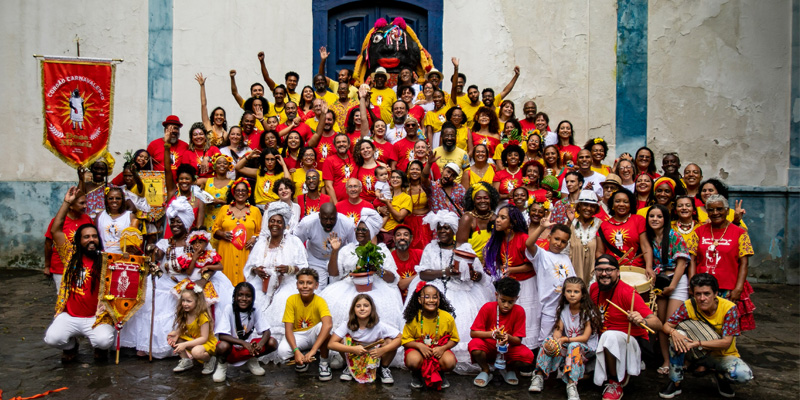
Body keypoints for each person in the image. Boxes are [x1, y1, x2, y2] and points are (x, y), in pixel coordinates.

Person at [132, 197, 233, 359]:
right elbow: (156, 257)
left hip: (194, 281)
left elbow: (212, 262)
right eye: (172, 222)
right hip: (168, 282)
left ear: (186, 222)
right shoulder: (165, 243)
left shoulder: (198, 241)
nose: (175, 225)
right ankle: (153, 345)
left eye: (179, 221)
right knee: (149, 296)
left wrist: (202, 281)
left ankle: (199, 346)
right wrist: (152, 250)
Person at [405, 210, 494, 374]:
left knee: (463, 313)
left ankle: (448, 357)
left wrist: (474, 275)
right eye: (439, 228)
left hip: (461, 290)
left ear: (453, 230)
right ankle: (426, 353)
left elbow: (479, 274)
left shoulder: (465, 248)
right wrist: (445, 272)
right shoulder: (430, 248)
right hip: (434, 289)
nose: (442, 231)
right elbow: (423, 274)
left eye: (446, 228)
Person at [44, 187, 114, 362]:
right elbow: (55, 231)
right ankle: (70, 346)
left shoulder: (106, 261)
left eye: (94, 236)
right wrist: (66, 203)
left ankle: (99, 348)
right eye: (86, 237)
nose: (91, 240)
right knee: (52, 338)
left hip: (95, 317)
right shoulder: (70, 256)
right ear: (79, 240)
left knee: (104, 341)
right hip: (70, 316)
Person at [659, 273, 754, 398]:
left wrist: (697, 343)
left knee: (743, 374)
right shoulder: (689, 305)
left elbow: (726, 342)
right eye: (698, 294)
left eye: (707, 294)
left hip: (721, 355)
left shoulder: (729, 308)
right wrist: (673, 333)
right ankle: (675, 381)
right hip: (695, 353)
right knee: (678, 335)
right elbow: (666, 325)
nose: (702, 298)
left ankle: (721, 377)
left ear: (715, 294)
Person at [321, 209, 403, 352]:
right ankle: (344, 351)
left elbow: (392, 278)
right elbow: (333, 273)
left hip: (376, 287)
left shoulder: (380, 250)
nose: (359, 232)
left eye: (364, 229)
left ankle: (377, 350)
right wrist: (335, 251)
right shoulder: (347, 249)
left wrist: (377, 269)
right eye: (358, 229)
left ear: (372, 232)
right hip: (348, 286)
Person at [590, 255, 663, 400]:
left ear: (618, 272)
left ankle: (615, 382)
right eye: (600, 270)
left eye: (609, 270)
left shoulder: (627, 293)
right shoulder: (594, 288)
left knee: (609, 336)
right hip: (600, 339)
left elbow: (657, 323)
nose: (604, 274)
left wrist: (642, 320)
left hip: (628, 341)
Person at [244, 202, 309, 339]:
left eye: (279, 222)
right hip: (262, 283)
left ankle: (277, 337)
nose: (275, 224)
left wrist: (289, 269)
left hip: (287, 283)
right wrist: (256, 270)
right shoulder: (261, 243)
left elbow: (304, 267)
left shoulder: (294, 242)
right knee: (253, 298)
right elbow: (249, 267)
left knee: (282, 300)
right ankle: (252, 334)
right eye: (272, 221)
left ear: (285, 225)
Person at [529, 277, 601, 400]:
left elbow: (585, 338)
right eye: (569, 291)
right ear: (563, 293)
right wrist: (556, 340)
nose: (572, 294)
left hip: (586, 348)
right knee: (548, 341)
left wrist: (565, 340)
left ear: (583, 294)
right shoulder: (563, 310)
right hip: (568, 343)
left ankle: (572, 384)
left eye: (576, 292)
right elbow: (558, 330)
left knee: (574, 347)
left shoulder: (588, 312)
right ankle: (539, 376)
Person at [692, 194, 755, 331]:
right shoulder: (699, 231)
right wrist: (692, 283)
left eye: (719, 209)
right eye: (711, 210)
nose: (715, 213)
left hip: (728, 288)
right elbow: (692, 259)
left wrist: (738, 288)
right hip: (702, 288)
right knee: (702, 326)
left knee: (726, 326)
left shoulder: (740, 233)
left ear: (727, 211)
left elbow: (744, 263)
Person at [485, 205, 541, 349]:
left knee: (527, 316)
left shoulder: (523, 238)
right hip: (509, 284)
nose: (497, 220)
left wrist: (511, 269)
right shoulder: (499, 238)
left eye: (503, 218)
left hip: (526, 284)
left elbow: (532, 265)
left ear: (512, 222)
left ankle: (528, 350)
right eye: (498, 216)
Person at [644, 204, 691, 375]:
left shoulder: (674, 236)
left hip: (676, 280)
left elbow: (682, 264)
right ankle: (666, 360)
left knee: (673, 322)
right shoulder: (648, 237)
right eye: (652, 216)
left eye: (659, 216)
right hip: (659, 282)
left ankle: (679, 359)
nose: (655, 219)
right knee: (661, 323)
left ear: (666, 219)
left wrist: (672, 286)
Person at [469, 277, 534, 387]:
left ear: (516, 298)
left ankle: (509, 369)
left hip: (508, 348)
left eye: (510, 302)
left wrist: (508, 337)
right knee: (474, 345)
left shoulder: (519, 311)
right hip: (489, 346)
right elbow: (473, 333)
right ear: (496, 295)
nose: (506, 305)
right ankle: (485, 370)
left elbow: (518, 340)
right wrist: (492, 334)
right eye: (503, 301)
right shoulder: (488, 307)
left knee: (528, 356)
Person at [524, 213, 577, 346]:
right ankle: (542, 359)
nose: (559, 243)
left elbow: (573, 280)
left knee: (562, 339)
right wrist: (541, 227)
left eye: (563, 241)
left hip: (566, 306)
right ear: (549, 237)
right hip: (548, 307)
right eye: (556, 239)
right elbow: (529, 244)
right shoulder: (542, 255)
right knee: (545, 339)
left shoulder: (565, 258)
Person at [328, 294, 403, 383]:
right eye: (358, 306)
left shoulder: (379, 325)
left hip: (373, 354)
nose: (362, 309)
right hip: (354, 354)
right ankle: (350, 366)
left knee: (389, 341)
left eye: (366, 306)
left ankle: (383, 368)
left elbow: (400, 338)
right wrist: (353, 349)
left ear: (372, 308)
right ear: (353, 309)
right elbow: (331, 344)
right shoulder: (347, 324)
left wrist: (382, 350)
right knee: (341, 341)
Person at [274, 268, 334, 380]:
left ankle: (324, 363)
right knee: (282, 352)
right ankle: (301, 358)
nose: (305, 286)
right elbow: (288, 330)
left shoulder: (320, 301)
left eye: (309, 283)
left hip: (314, 334)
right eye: (301, 283)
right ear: (297, 285)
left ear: (316, 285)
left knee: (323, 327)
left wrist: (313, 350)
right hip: (298, 335)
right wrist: (296, 351)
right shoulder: (291, 300)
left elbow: (328, 324)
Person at [212, 282, 278, 382]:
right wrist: (243, 343)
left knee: (272, 342)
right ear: (235, 297)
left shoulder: (255, 308)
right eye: (240, 295)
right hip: (232, 349)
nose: (244, 299)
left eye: (248, 296)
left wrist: (259, 345)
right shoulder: (229, 308)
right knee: (222, 346)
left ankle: (251, 359)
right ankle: (222, 365)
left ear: (253, 298)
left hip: (249, 348)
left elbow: (266, 331)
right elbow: (222, 335)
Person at [402, 283, 459, 390]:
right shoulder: (414, 318)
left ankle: (440, 373)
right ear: (420, 300)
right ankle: (416, 373)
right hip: (419, 350)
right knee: (413, 360)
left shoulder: (447, 317)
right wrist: (419, 346)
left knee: (449, 362)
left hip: (438, 350)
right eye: (427, 297)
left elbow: (454, 339)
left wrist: (443, 348)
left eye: (435, 297)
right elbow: (405, 340)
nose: (431, 300)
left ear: (439, 300)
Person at [293, 203, 356, 290]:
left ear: (337, 216)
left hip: (338, 259)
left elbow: (354, 245)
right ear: (319, 216)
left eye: (332, 219)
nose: (328, 222)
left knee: (337, 289)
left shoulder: (347, 224)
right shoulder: (307, 223)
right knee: (316, 289)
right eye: (325, 219)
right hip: (315, 259)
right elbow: (295, 241)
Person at [212, 178, 262, 285]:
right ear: (233, 193)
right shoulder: (224, 209)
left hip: (246, 252)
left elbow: (261, 232)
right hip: (226, 252)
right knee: (226, 283)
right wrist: (222, 234)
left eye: (243, 190)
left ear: (248, 193)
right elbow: (215, 229)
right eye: (238, 190)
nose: (240, 193)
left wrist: (254, 238)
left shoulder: (255, 211)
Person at [596, 188, 654, 277]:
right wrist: (605, 268)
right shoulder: (603, 225)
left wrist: (649, 267)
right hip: (612, 273)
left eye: (626, 202)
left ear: (631, 204)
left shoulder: (639, 220)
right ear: (612, 204)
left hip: (637, 270)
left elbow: (646, 246)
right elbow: (599, 252)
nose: (621, 204)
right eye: (617, 201)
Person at [44, 188, 92, 293]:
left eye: (85, 203)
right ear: (71, 205)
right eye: (81, 203)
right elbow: (48, 245)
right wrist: (47, 266)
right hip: (61, 267)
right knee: (63, 296)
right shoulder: (58, 222)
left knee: (80, 295)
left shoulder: (87, 219)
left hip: (82, 266)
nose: (85, 206)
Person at [167, 287, 218, 373]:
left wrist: (185, 344)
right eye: (183, 300)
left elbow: (204, 338)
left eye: (188, 301)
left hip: (206, 343)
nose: (185, 304)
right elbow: (182, 328)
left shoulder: (202, 316)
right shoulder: (185, 313)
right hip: (194, 339)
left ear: (197, 302)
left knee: (196, 352)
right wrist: (176, 334)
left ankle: (209, 359)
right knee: (171, 336)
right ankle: (186, 360)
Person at [163, 139, 205, 236]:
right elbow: (167, 170)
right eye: (181, 179)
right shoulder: (172, 193)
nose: (184, 181)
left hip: (188, 242)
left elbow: (198, 228)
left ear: (193, 181)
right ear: (177, 180)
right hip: (170, 241)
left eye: (187, 179)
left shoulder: (199, 201)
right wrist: (167, 146)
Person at [456, 182, 500, 263]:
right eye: (478, 198)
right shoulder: (467, 218)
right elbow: (460, 246)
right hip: (470, 262)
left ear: (490, 200)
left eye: (486, 198)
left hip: (490, 263)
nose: (482, 201)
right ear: (473, 201)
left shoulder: (494, 218)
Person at [568, 190, 603, 284]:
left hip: (593, 272)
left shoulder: (600, 225)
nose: (588, 208)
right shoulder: (571, 223)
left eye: (592, 206)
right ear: (579, 207)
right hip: (573, 270)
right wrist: (569, 222)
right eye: (585, 205)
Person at [96, 187, 139, 254]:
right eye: (111, 198)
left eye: (118, 198)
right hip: (104, 256)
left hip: (124, 256)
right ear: (106, 200)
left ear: (123, 200)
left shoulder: (130, 216)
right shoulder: (100, 216)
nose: (114, 200)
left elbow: (134, 239)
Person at [377, 170, 412, 245]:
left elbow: (399, 217)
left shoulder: (406, 197)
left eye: (398, 177)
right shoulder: (385, 193)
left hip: (393, 233)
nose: (395, 179)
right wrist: (379, 209)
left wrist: (387, 203)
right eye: (393, 177)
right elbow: (374, 205)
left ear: (402, 180)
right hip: (379, 232)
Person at [201, 154, 234, 231]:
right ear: (214, 166)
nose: (222, 165)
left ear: (229, 167)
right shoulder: (207, 181)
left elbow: (236, 203)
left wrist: (221, 202)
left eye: (225, 163)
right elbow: (191, 181)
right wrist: (206, 159)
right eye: (219, 163)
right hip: (208, 219)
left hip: (225, 220)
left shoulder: (233, 183)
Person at [322, 133, 356, 204]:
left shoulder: (355, 158)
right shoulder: (329, 161)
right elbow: (328, 186)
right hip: (339, 202)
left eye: (344, 141)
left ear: (349, 145)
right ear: (334, 146)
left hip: (356, 201)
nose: (341, 144)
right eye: (338, 142)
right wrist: (336, 205)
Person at [391, 225, 423, 300]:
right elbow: (401, 285)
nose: (402, 237)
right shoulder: (390, 258)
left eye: (406, 235)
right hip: (399, 299)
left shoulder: (420, 254)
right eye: (398, 235)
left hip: (419, 297)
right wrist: (421, 275)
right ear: (394, 239)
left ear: (411, 239)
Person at [353, 138, 381, 203]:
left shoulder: (381, 167)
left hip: (378, 203)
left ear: (373, 150)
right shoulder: (357, 168)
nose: (365, 150)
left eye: (368, 148)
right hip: (362, 203)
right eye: (362, 149)